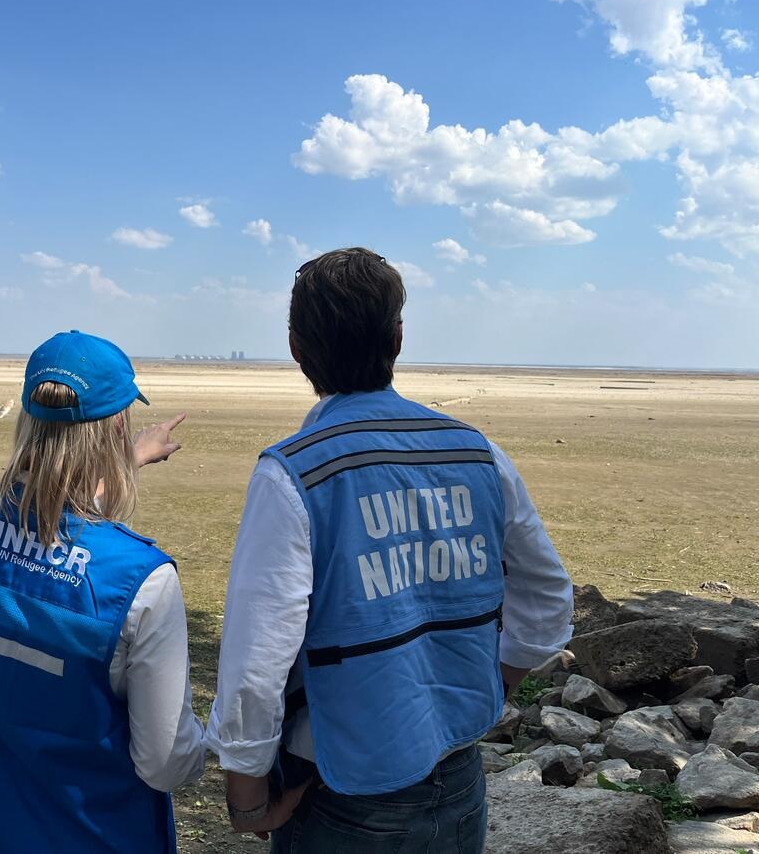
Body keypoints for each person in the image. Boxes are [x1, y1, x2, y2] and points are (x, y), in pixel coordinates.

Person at [205, 248, 574, 853]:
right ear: (398, 338)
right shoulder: (477, 453)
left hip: (341, 790)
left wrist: (247, 801)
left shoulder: (293, 474)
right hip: (458, 775)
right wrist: (489, 685)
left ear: (297, 348)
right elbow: (547, 599)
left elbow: (256, 662)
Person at [0, 330, 205, 853]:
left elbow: (42, 537)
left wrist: (127, 460)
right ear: (118, 425)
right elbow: (167, 763)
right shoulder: (142, 580)